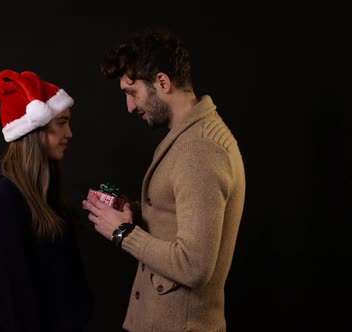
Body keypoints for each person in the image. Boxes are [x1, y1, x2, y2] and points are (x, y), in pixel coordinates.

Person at [82, 27, 246, 331]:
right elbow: (181, 218)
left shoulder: (201, 150)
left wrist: (123, 233)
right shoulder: (187, 136)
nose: (129, 106)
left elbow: (194, 266)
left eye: (132, 93)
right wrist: (134, 212)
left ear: (162, 82)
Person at [0, 69, 92, 332]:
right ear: (35, 128)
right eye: (61, 123)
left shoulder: (46, 190)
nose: (70, 134)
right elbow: (12, 304)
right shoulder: (4, 198)